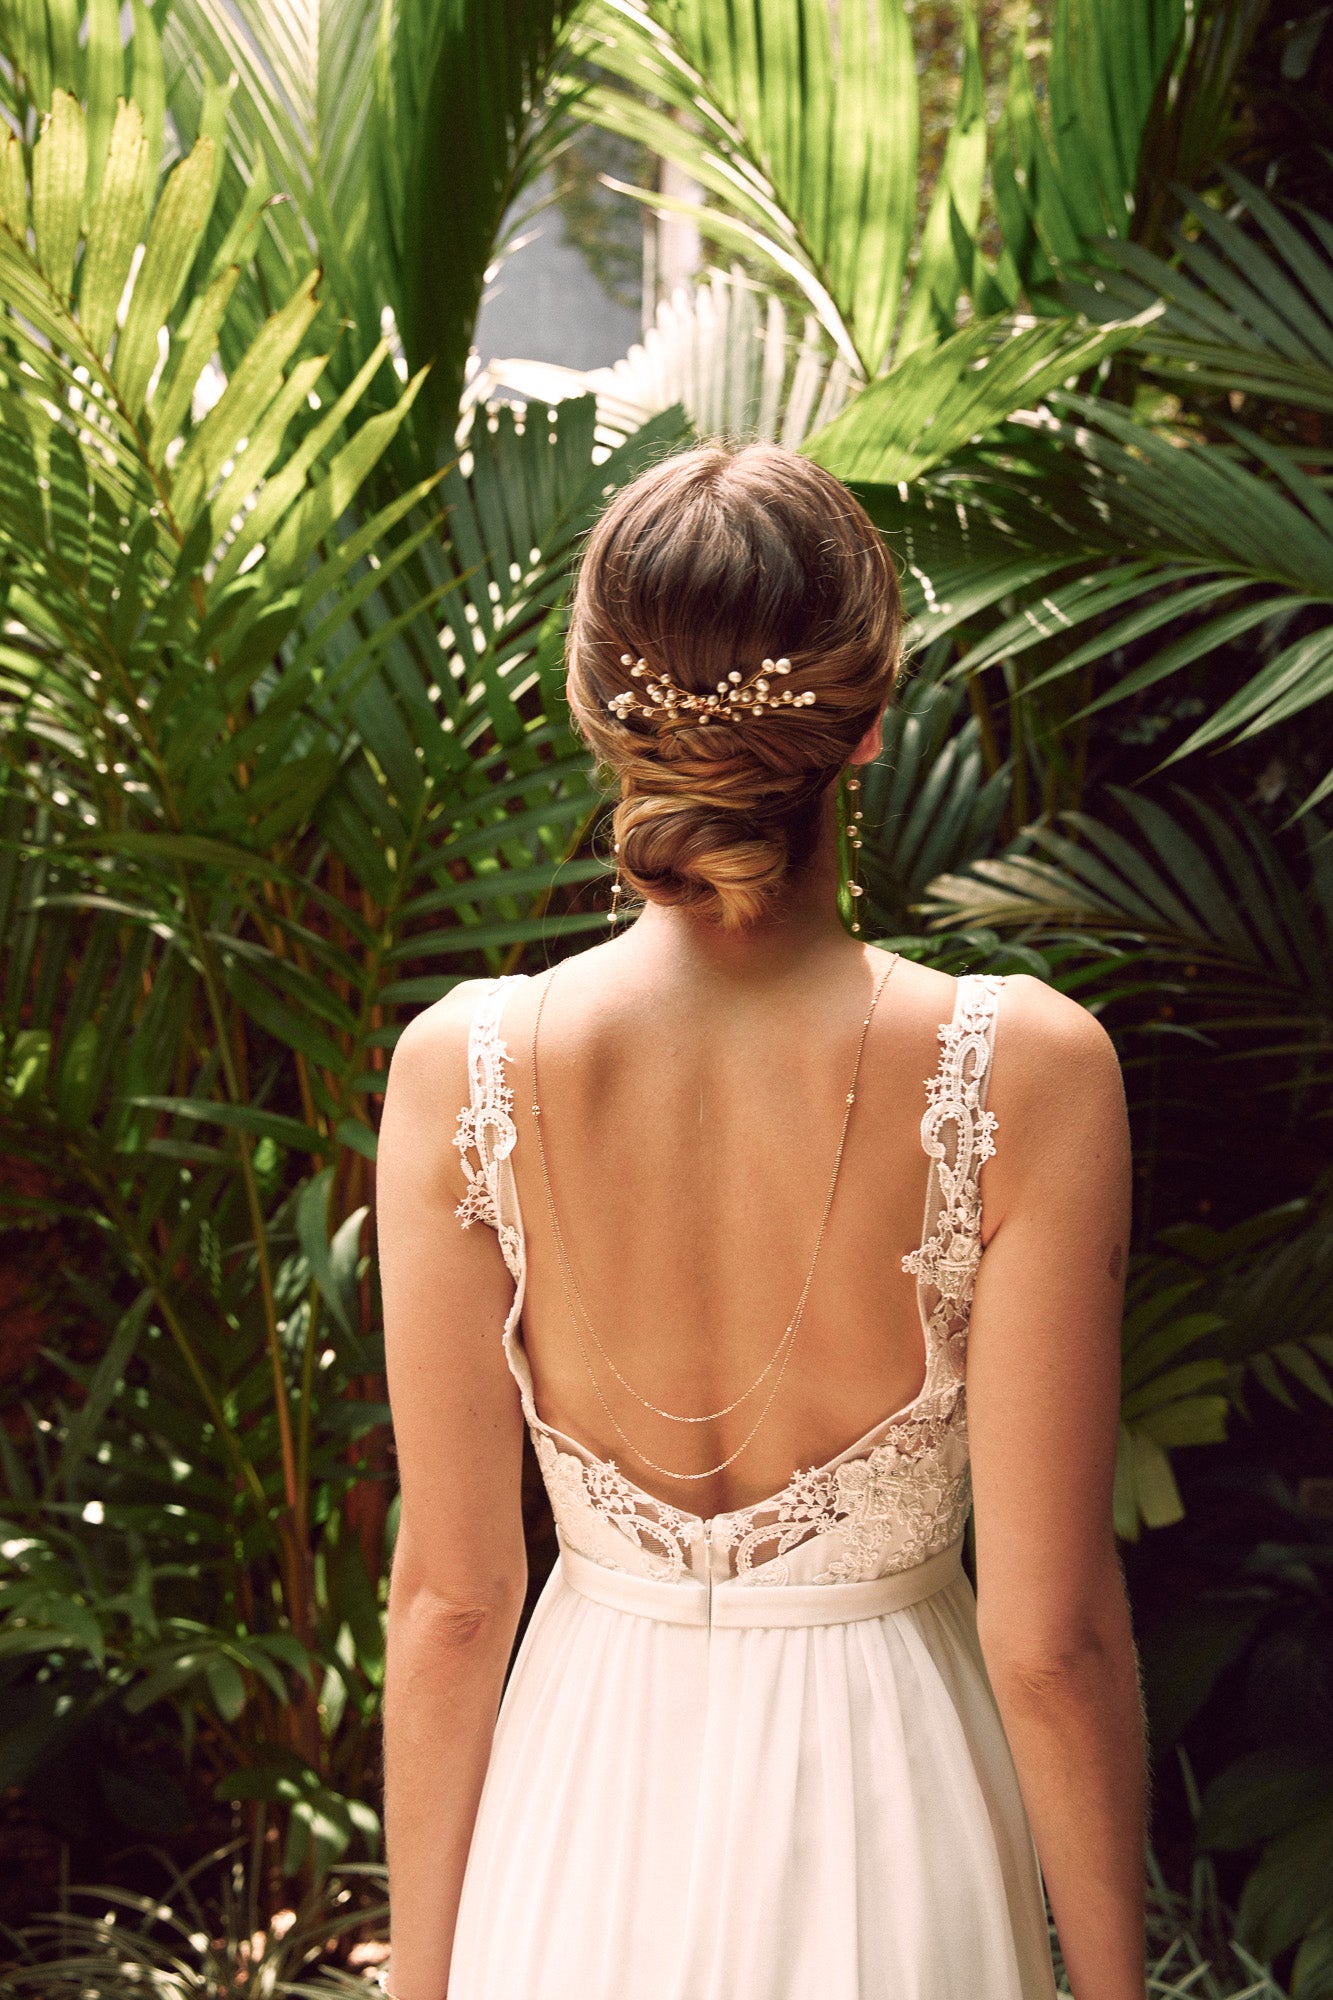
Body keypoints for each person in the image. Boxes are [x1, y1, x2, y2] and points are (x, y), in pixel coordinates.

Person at [376, 444, 1146, 2000]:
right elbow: (1050, 1643)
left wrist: (418, 1981)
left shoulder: (461, 1068)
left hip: (577, 1810)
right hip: (894, 1800)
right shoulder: (1026, 1071)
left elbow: (452, 1605)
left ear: (594, 708)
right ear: (868, 723)